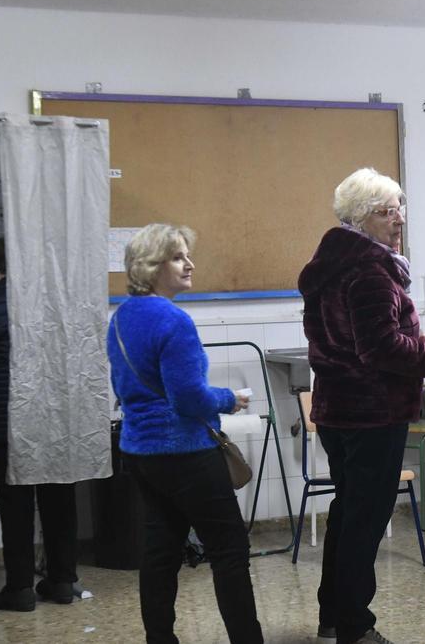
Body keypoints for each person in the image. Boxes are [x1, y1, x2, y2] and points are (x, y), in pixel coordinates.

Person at [299, 167, 425, 644]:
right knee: (364, 522)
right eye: (388, 211)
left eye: (400, 209)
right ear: (362, 218)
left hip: (337, 410)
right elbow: (380, 348)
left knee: (348, 512)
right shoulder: (369, 272)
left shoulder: (330, 267)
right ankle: (355, 626)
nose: (399, 219)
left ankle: (332, 616)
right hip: (372, 413)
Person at [106, 223, 261, 644]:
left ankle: (160, 638)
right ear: (151, 266)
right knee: (229, 551)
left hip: (140, 452)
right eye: (177, 257)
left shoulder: (120, 318)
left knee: (160, 549)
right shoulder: (174, 321)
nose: (189, 264)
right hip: (185, 452)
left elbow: (124, 387)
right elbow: (190, 399)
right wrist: (229, 398)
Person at [0, 237, 79, 611]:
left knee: (16, 506)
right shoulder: (57, 298)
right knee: (59, 499)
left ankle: (19, 588)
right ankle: (62, 581)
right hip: (57, 417)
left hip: (11, 420)